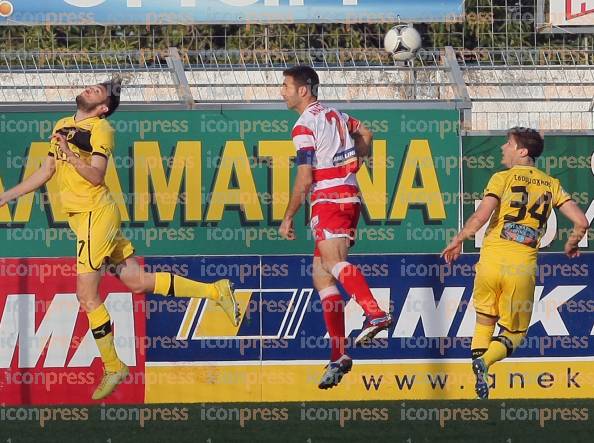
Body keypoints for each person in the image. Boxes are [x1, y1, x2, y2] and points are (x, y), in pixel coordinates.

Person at [0, 78, 239, 400]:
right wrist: (6, 197)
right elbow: (45, 172)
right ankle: (215, 290)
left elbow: (97, 175)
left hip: (93, 215)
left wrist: (71, 155)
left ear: (102, 108)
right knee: (138, 282)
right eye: (91, 87)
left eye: (97, 92)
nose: (89, 90)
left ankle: (113, 365)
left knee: (86, 295)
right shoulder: (61, 124)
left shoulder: (101, 130)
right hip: (89, 217)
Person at [441, 127, 589, 399]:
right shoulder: (550, 184)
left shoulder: (502, 178)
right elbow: (581, 221)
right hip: (521, 267)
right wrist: (572, 242)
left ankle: (479, 378)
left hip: (490, 262)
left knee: (484, 320)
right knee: (515, 334)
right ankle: (484, 363)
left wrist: (459, 239)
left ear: (523, 151)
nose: (502, 148)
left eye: (508, 143)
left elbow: (482, 215)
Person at [279, 65, 392, 390]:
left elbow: (304, 178)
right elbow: (366, 135)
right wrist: (355, 164)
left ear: (303, 90)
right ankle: (339, 355)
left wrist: (288, 216)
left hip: (328, 200)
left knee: (331, 263)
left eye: (286, 85)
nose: (281, 91)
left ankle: (375, 314)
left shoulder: (304, 126)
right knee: (321, 274)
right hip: (348, 195)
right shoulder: (337, 115)